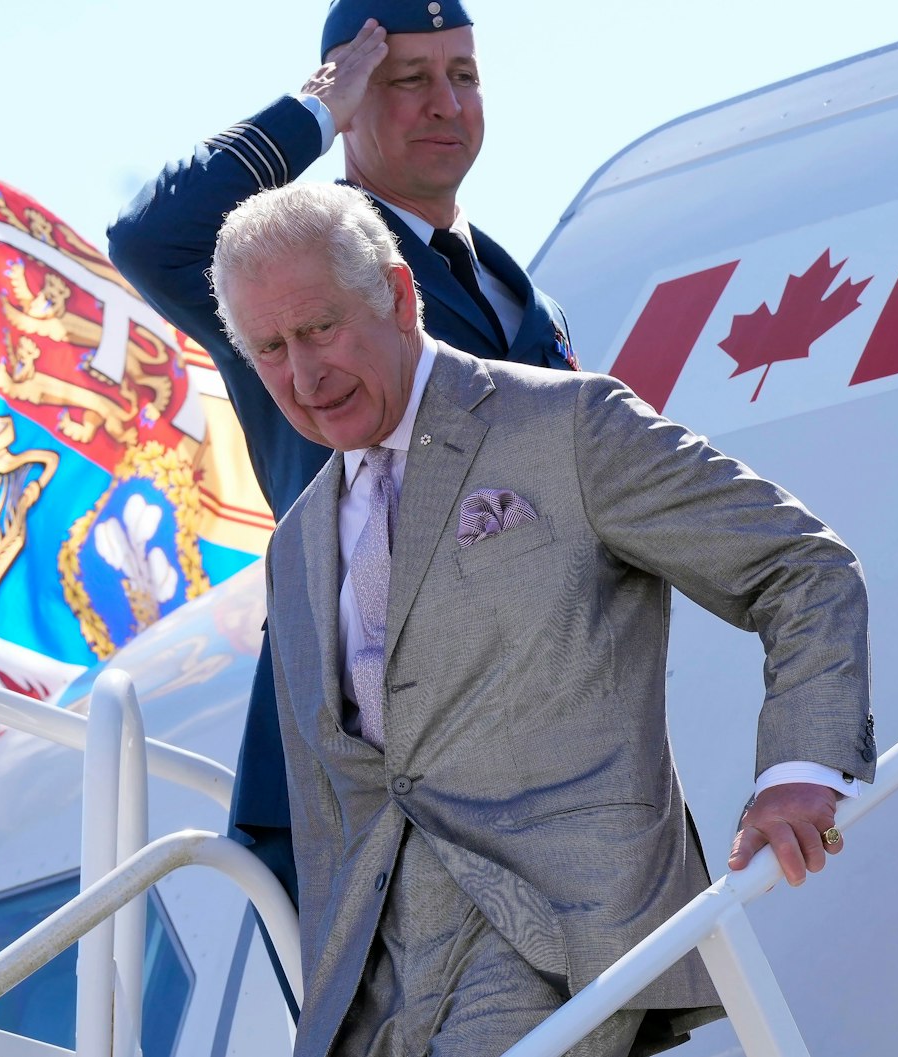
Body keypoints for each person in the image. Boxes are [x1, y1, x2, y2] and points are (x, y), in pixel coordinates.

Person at [210, 181, 876, 1057]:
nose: (303, 376)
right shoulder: (293, 547)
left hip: (557, 935)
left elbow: (799, 563)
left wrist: (799, 765)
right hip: (371, 991)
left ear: (400, 295)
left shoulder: (565, 426)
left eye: (320, 329)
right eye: (269, 349)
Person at [106, 0, 577, 909]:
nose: (446, 103)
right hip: (359, 754)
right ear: (354, 96)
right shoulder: (295, 258)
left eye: (464, 75)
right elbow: (153, 239)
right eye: (408, 80)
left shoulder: (528, 299)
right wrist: (313, 106)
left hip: (532, 755)